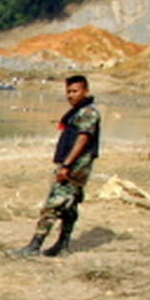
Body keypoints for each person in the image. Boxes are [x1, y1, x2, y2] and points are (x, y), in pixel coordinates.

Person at [13, 75, 101, 258]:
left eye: (75, 91)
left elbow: (83, 139)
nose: (70, 95)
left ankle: (34, 245)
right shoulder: (77, 112)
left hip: (75, 167)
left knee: (53, 204)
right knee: (69, 206)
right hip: (74, 165)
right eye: (68, 91)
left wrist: (66, 165)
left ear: (86, 91)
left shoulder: (88, 113)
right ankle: (63, 244)